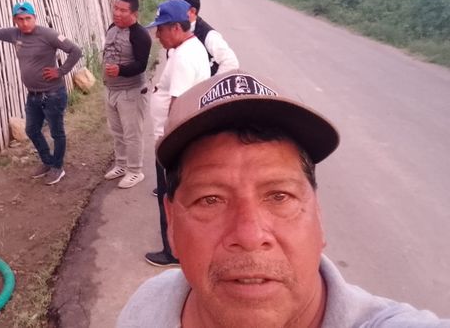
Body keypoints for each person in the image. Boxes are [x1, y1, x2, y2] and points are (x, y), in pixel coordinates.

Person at [118, 70, 450, 328]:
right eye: (210, 199)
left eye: (279, 196)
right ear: (172, 223)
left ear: (318, 214)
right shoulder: (148, 305)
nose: (250, 236)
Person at [0, 2, 82, 185]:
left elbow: (75, 50)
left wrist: (60, 71)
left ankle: (57, 167)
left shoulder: (48, 34)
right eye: (20, 19)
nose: (25, 23)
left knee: (56, 133)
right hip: (33, 95)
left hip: (53, 94)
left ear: (34, 18)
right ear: (15, 20)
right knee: (31, 130)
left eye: (28, 18)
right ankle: (47, 162)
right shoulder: (15, 34)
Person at [144, 0, 210, 267]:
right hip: (186, 137)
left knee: (168, 197)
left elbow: (177, 105)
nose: (157, 35)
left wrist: (167, 145)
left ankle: (172, 251)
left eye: (160, 29)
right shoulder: (191, 47)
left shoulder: (183, 57)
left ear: (175, 28)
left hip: (172, 140)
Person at [102, 0, 152, 189]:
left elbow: (141, 65)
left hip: (131, 92)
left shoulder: (140, 35)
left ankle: (135, 171)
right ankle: (121, 165)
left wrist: (120, 70)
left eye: (123, 10)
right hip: (111, 89)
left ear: (134, 14)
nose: (117, 13)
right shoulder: (112, 28)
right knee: (117, 131)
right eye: (115, 8)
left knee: (132, 134)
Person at [170, 0, 238, 75]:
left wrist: (211, 83)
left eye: (176, 8)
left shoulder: (209, 35)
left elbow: (231, 62)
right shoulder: (171, 29)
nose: (170, 12)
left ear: (192, 11)